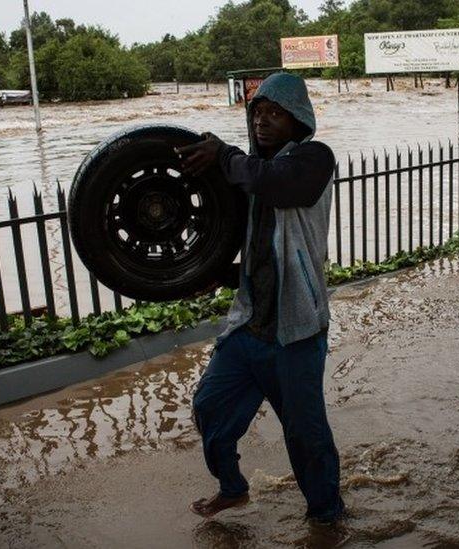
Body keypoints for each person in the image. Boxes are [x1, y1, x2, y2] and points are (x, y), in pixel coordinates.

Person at [176, 72, 345, 524]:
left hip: (297, 332)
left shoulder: (313, 160)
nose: (263, 123)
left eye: (274, 114)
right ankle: (233, 489)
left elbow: (278, 185)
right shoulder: (251, 174)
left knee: (305, 435)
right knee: (209, 407)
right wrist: (213, 274)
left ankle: (327, 517)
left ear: (298, 118)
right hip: (249, 326)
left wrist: (224, 155)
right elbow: (256, 245)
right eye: (257, 113)